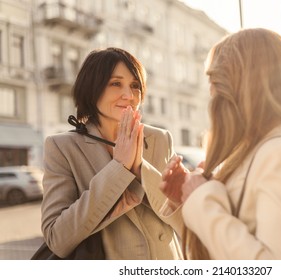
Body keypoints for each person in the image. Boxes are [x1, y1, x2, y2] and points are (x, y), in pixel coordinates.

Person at [160, 28, 281, 260]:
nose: (211, 91)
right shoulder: (251, 153)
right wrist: (186, 199)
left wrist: (201, 199)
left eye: (215, 79)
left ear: (242, 85)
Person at [41, 47, 183, 260]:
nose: (129, 96)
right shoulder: (62, 147)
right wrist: (119, 169)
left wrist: (140, 170)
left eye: (135, 86)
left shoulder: (160, 139)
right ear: (92, 89)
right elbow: (57, 239)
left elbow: (187, 223)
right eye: (116, 83)